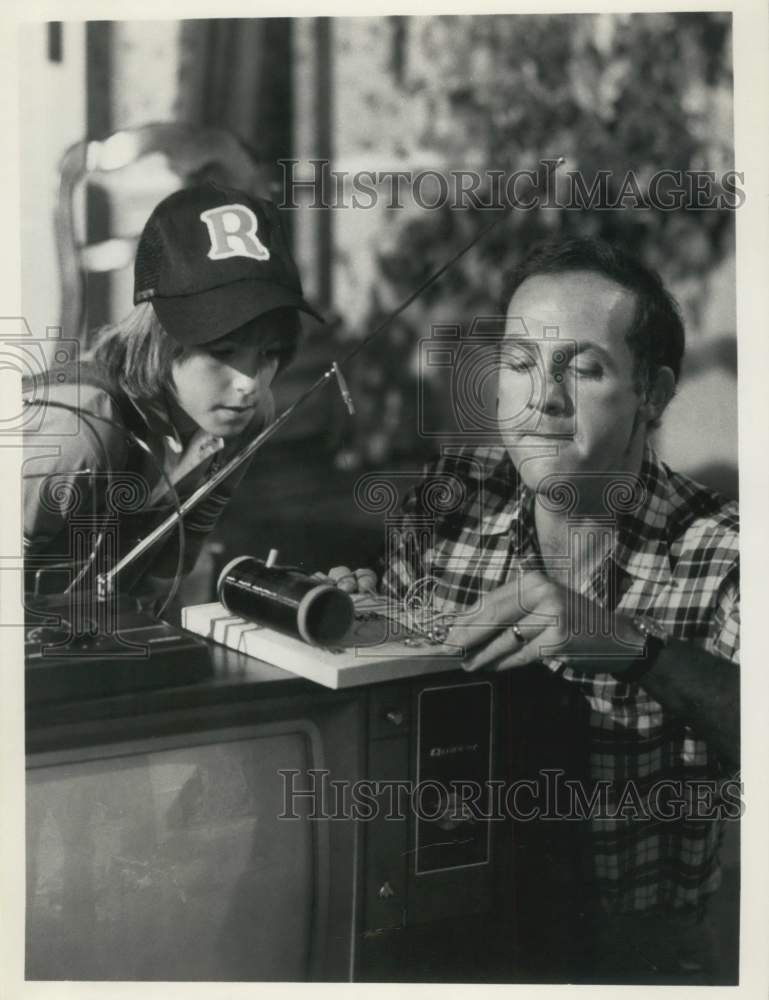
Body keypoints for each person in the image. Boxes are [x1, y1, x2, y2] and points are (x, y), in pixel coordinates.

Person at [327, 238, 739, 983]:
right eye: (518, 364)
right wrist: (355, 628)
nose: (542, 397)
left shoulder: (724, 553)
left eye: (582, 367)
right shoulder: (446, 500)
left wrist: (633, 649)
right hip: (453, 938)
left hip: (630, 959)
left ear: (652, 392)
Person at [23, 181, 321, 603]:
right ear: (160, 340)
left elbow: (165, 573)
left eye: (270, 353)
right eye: (221, 351)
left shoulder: (247, 416)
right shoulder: (77, 429)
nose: (250, 383)